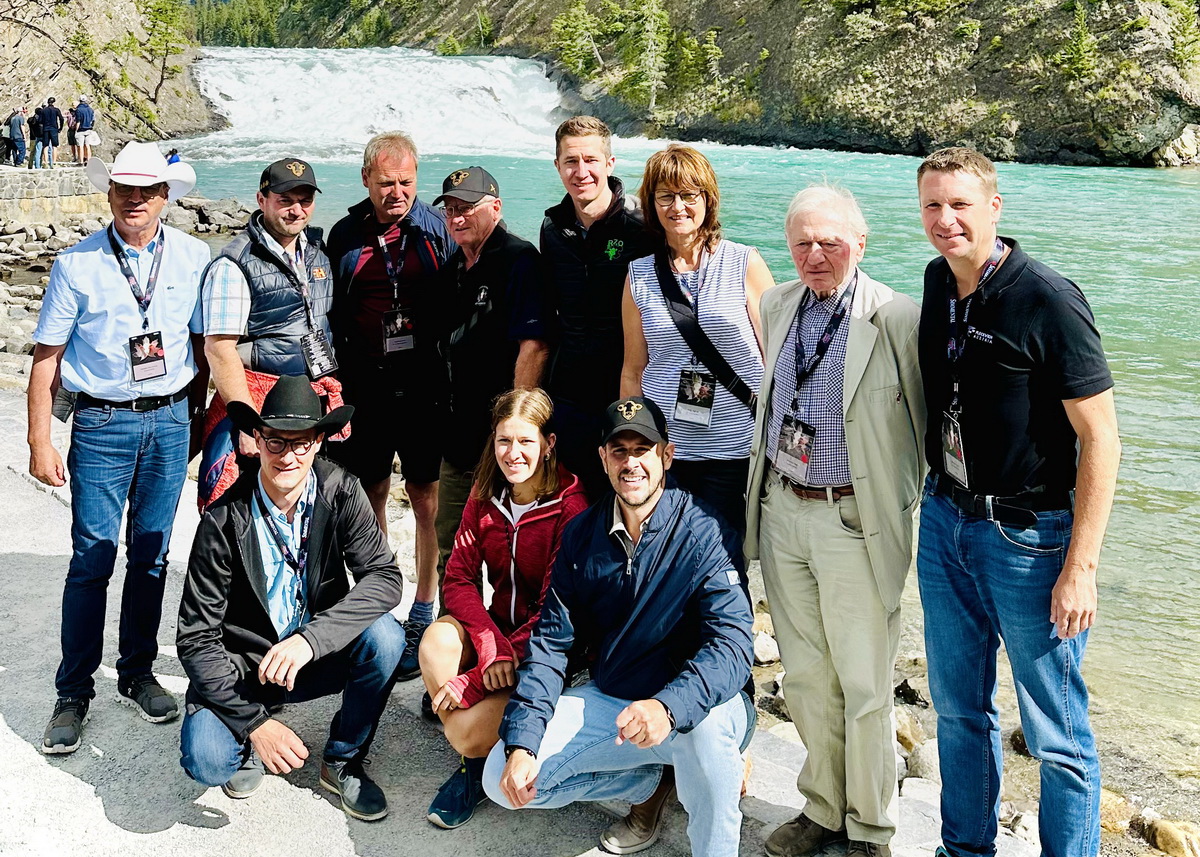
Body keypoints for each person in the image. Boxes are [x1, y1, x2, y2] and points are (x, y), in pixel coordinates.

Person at [914, 147, 1120, 857]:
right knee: (959, 711)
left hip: (1030, 539)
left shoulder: (1049, 299)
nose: (947, 220)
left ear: (994, 208)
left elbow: (1102, 440)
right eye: (934, 205)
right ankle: (964, 849)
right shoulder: (938, 282)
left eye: (961, 204)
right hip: (945, 521)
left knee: (1055, 731)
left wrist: (1082, 566)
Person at [484, 395, 756, 857]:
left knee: (708, 737)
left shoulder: (707, 531)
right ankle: (646, 781)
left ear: (667, 455)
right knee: (501, 779)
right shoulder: (581, 535)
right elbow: (551, 644)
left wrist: (668, 707)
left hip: (696, 708)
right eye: (619, 451)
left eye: (643, 449)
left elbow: (732, 646)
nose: (631, 463)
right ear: (603, 459)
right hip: (616, 704)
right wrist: (524, 741)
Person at [745, 185, 925, 857]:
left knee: (866, 682)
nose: (815, 255)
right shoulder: (776, 303)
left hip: (853, 519)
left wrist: (905, 503)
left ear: (862, 242)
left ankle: (872, 828)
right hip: (784, 511)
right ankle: (822, 807)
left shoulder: (899, 318)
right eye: (802, 243)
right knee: (806, 676)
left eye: (830, 241)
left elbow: (927, 427)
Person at [27, 142, 209, 754]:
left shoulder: (194, 257)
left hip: (170, 421)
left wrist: (202, 426)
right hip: (102, 426)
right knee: (91, 560)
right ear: (110, 195)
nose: (134, 200)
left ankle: (135, 673)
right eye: (124, 189)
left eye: (146, 190)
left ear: (165, 198)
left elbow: (210, 346)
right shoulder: (75, 264)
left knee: (153, 555)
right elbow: (46, 358)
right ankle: (73, 692)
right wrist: (38, 439)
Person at [177, 376, 406, 821]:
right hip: (245, 667)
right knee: (205, 759)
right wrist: (254, 724)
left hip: (311, 656)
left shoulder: (341, 490)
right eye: (277, 442)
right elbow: (195, 639)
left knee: (387, 638)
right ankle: (244, 743)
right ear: (257, 440)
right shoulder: (222, 520)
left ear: (319, 442)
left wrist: (312, 640)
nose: (288, 456)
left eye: (301, 443)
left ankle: (341, 759)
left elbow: (384, 578)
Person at [419, 388, 587, 829]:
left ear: (549, 444)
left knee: (465, 730)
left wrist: (477, 677)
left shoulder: (570, 507)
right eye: (503, 441)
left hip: (547, 652)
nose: (513, 454)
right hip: (499, 633)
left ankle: (475, 753)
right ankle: (473, 764)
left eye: (526, 441)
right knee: (435, 640)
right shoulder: (485, 493)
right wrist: (490, 644)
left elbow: (557, 611)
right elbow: (457, 577)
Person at [325, 131, 456, 679]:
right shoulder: (345, 235)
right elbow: (325, 310)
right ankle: (377, 603)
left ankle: (424, 609)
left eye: (405, 182)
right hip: (367, 387)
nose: (396, 192)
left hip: (426, 387)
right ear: (365, 181)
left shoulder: (438, 230)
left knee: (426, 498)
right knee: (370, 495)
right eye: (385, 183)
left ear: (417, 181)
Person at [621, 143, 772, 543]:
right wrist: (633, 440)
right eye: (666, 196)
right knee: (666, 557)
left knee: (724, 556)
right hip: (666, 448)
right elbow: (633, 368)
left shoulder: (744, 262)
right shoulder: (638, 275)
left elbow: (776, 354)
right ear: (652, 203)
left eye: (689, 195)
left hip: (735, 445)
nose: (678, 206)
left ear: (708, 199)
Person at [198, 157, 343, 511]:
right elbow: (219, 350)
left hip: (305, 404)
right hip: (259, 405)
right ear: (262, 200)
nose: (296, 210)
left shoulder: (317, 253)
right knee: (240, 513)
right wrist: (248, 425)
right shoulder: (234, 264)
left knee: (298, 511)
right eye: (285, 200)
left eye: (305, 201)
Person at [430, 165, 551, 586]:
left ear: (495, 207)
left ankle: (509, 644)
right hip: (456, 437)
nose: (457, 218)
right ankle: (455, 645)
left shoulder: (519, 261)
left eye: (467, 208)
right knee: (452, 550)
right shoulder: (452, 270)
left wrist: (518, 429)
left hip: (503, 442)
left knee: (511, 553)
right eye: (449, 210)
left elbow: (533, 346)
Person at [541, 116, 658, 499]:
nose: (581, 172)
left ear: (609, 163)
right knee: (572, 500)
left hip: (626, 388)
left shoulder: (642, 227)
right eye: (571, 161)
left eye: (590, 160)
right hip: (569, 391)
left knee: (629, 498)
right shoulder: (553, 228)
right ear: (557, 166)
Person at [39, 97, 63, 169]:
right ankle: (54, 162)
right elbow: (61, 118)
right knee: (54, 146)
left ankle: (46, 162)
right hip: (54, 129)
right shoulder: (56, 110)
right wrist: (60, 128)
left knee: (45, 146)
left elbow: (40, 120)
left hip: (46, 129)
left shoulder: (43, 110)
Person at [75, 96, 99, 166]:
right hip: (89, 129)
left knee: (81, 146)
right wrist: (91, 127)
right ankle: (89, 161)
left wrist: (76, 130)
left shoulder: (78, 110)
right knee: (88, 145)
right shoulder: (90, 109)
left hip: (81, 130)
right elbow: (93, 120)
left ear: (79, 100)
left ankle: (81, 161)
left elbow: (78, 121)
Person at [27, 103, 43, 169]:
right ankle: (39, 164)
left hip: (32, 137)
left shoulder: (31, 119)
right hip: (38, 136)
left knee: (32, 152)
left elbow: (29, 121)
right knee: (39, 151)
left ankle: (30, 165)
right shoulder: (40, 120)